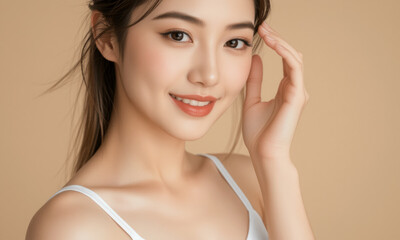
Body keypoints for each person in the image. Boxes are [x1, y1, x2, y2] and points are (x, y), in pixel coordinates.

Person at [26, 0, 314, 239]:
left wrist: (273, 159)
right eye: (178, 35)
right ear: (106, 36)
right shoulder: (72, 227)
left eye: (234, 41)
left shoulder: (250, 178)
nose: (209, 75)